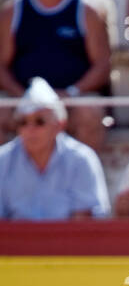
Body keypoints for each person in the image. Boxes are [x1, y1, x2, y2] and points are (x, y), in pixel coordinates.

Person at [0, 0, 110, 150]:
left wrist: (70, 93)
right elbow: (1, 66)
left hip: (72, 99)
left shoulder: (87, 8)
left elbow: (102, 66)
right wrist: (23, 97)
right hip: (23, 99)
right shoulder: (12, 10)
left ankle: (83, 182)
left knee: (90, 112)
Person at [0, 75, 108, 217]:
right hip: (14, 239)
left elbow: (85, 220)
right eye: (22, 122)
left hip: (68, 238)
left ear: (60, 125)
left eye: (39, 122)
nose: (29, 129)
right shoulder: (3, 159)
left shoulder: (81, 158)